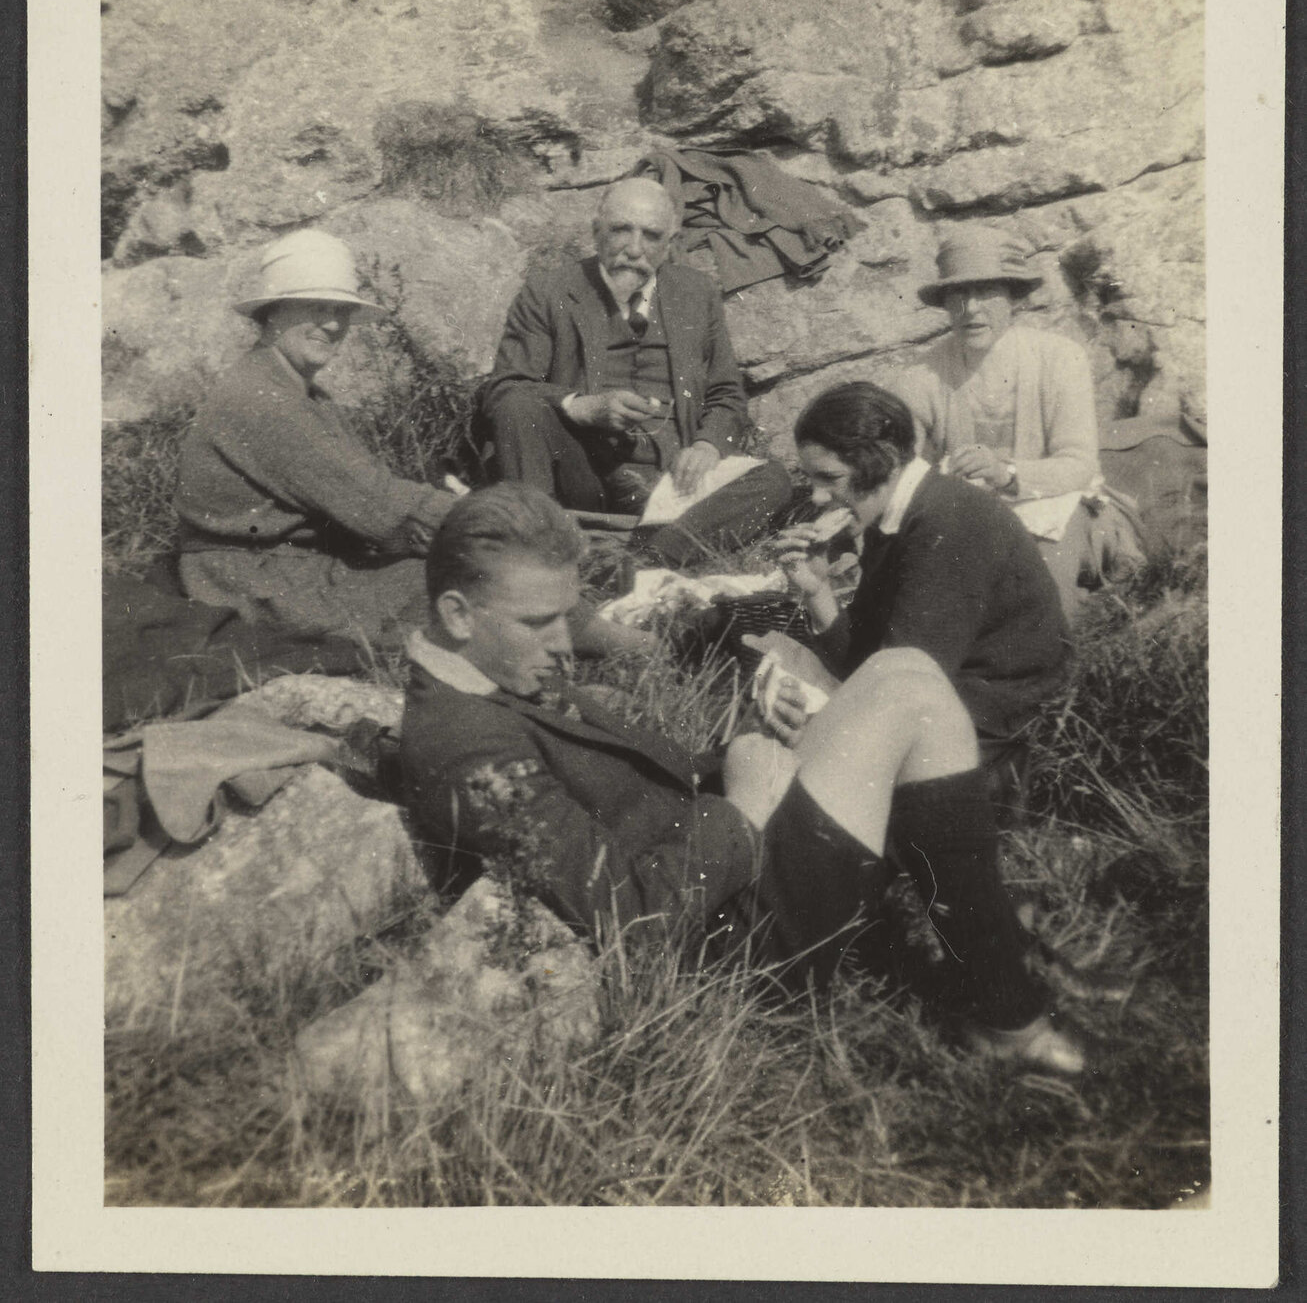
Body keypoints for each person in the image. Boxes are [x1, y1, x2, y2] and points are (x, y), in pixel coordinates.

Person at [400, 484, 1085, 1076]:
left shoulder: (488, 674)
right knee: (907, 691)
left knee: (902, 672)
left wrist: (741, 750)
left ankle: (988, 955)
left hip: (731, 880)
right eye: (537, 623)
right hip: (728, 954)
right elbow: (630, 921)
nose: (563, 643)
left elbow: (637, 799)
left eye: (567, 618)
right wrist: (743, 809)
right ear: (458, 614)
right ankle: (1003, 999)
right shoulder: (465, 752)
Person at [482, 176, 792, 565]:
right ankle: (540, 553)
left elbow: (726, 393)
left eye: (650, 235)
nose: (633, 248)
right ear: (596, 232)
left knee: (775, 482)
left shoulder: (696, 294)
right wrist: (581, 407)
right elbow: (503, 390)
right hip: (586, 473)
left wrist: (706, 445)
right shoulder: (549, 292)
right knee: (518, 410)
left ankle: (644, 561)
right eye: (620, 230)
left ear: (670, 244)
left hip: (671, 483)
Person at [175, 229, 459, 649]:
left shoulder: (297, 391)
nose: (332, 324)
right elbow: (376, 504)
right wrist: (498, 515)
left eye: (341, 310)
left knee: (458, 569)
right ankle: (587, 633)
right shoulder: (263, 400)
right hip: (254, 580)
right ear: (271, 314)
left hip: (283, 565)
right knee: (463, 577)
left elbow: (364, 494)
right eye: (315, 308)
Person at [776, 380, 1070, 771]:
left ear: (882, 461)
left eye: (830, 478)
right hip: (956, 706)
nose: (816, 498)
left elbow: (900, 690)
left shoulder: (948, 521)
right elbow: (873, 664)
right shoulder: (899, 516)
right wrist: (817, 592)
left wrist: (819, 728)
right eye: (812, 479)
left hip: (1002, 731)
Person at [892, 225, 1141, 617]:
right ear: (944, 303)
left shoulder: (1059, 358)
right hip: (967, 518)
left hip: (1055, 507)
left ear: (1013, 298)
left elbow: (1079, 465)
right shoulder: (922, 377)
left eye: (986, 291)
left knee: (1041, 592)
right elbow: (898, 470)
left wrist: (1006, 474)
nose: (970, 309)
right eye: (957, 294)